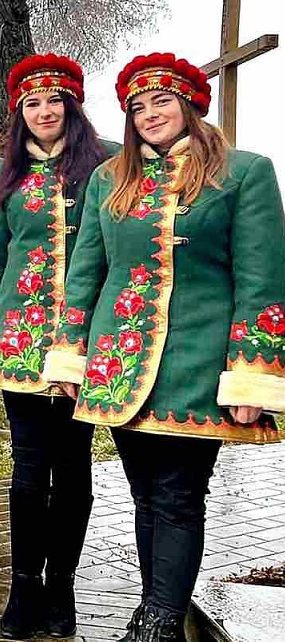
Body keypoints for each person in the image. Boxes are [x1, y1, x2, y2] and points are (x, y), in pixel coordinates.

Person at [41, 53, 284, 642]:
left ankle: (161, 622)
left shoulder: (245, 173)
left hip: (197, 361)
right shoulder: (110, 178)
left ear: (190, 104)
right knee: (145, 495)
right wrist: (70, 353)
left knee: (177, 496)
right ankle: (153, 613)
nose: (149, 114)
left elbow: (262, 280)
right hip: (118, 361)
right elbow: (85, 273)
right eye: (138, 107)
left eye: (162, 101)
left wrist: (253, 373)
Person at [0, 53, 118, 639]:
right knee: (28, 466)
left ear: (73, 106)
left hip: (85, 339)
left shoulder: (107, 165)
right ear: (20, 112)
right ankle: (24, 586)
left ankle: (62, 586)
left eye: (54, 100)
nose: (44, 111)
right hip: (20, 336)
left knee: (73, 465)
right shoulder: (9, 173)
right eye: (32, 103)